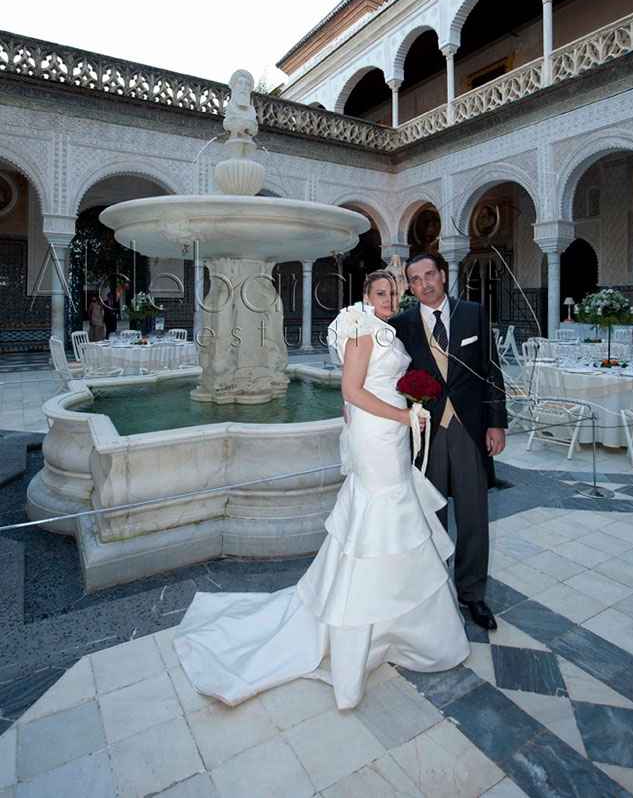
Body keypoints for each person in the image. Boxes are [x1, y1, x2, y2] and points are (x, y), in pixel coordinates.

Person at [173, 270, 469, 710]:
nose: (388, 298)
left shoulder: (384, 330)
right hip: (381, 433)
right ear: (366, 296)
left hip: (388, 431)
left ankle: (396, 621)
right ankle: (359, 621)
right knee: (378, 517)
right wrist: (402, 416)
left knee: (392, 516)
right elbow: (351, 389)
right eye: (380, 292)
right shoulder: (360, 332)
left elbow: (354, 393)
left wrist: (403, 412)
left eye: (392, 292)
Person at [390, 253, 507, 631]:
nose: (424, 283)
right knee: (429, 517)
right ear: (409, 285)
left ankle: (472, 595)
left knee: (473, 516)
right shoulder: (401, 325)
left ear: (442, 275)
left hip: (470, 429)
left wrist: (497, 424)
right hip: (425, 434)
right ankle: (433, 593)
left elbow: (491, 371)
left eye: (429, 275)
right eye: (415, 279)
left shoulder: (473, 313)